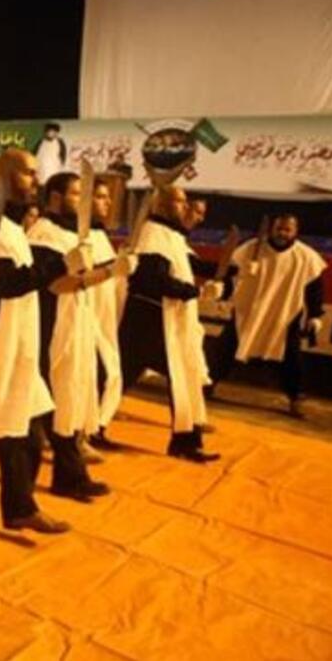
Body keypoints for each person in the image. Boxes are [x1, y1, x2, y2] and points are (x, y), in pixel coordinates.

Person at [0, 149, 90, 533]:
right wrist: (61, 265)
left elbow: (20, 281)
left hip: (15, 345)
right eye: (28, 173)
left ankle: (19, 507)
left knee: (24, 432)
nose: (35, 180)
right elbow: (1, 284)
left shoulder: (12, 230)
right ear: (5, 176)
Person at [27, 173, 131, 496]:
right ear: (55, 198)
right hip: (51, 327)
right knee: (53, 400)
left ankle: (69, 475)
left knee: (68, 396)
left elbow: (81, 279)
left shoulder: (70, 234)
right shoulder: (44, 234)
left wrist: (111, 270)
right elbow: (56, 284)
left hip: (74, 322)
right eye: (76, 194)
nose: (83, 202)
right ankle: (58, 479)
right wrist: (107, 272)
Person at [119, 186, 219, 462]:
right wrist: (195, 292)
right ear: (162, 205)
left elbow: (193, 266)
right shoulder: (153, 234)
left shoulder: (171, 235)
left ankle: (186, 440)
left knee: (127, 375)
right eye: (179, 202)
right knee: (123, 376)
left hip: (166, 320)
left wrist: (234, 270)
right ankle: (82, 430)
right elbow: (152, 280)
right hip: (151, 322)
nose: (185, 208)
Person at [220, 213, 326, 416]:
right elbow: (230, 274)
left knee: (292, 357)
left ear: (296, 232)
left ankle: (296, 398)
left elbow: (315, 289)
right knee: (225, 348)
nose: (282, 233)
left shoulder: (306, 257)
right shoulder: (251, 248)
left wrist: (315, 315)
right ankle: (205, 384)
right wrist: (224, 291)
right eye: (279, 228)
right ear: (272, 228)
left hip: (285, 313)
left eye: (287, 229)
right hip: (249, 310)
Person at [85, 179, 125, 450]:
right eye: (100, 197)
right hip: (85, 320)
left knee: (111, 374)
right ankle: (84, 434)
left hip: (104, 320)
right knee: (99, 375)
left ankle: (95, 428)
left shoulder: (100, 236)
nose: (107, 202)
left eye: (108, 197)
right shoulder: (80, 235)